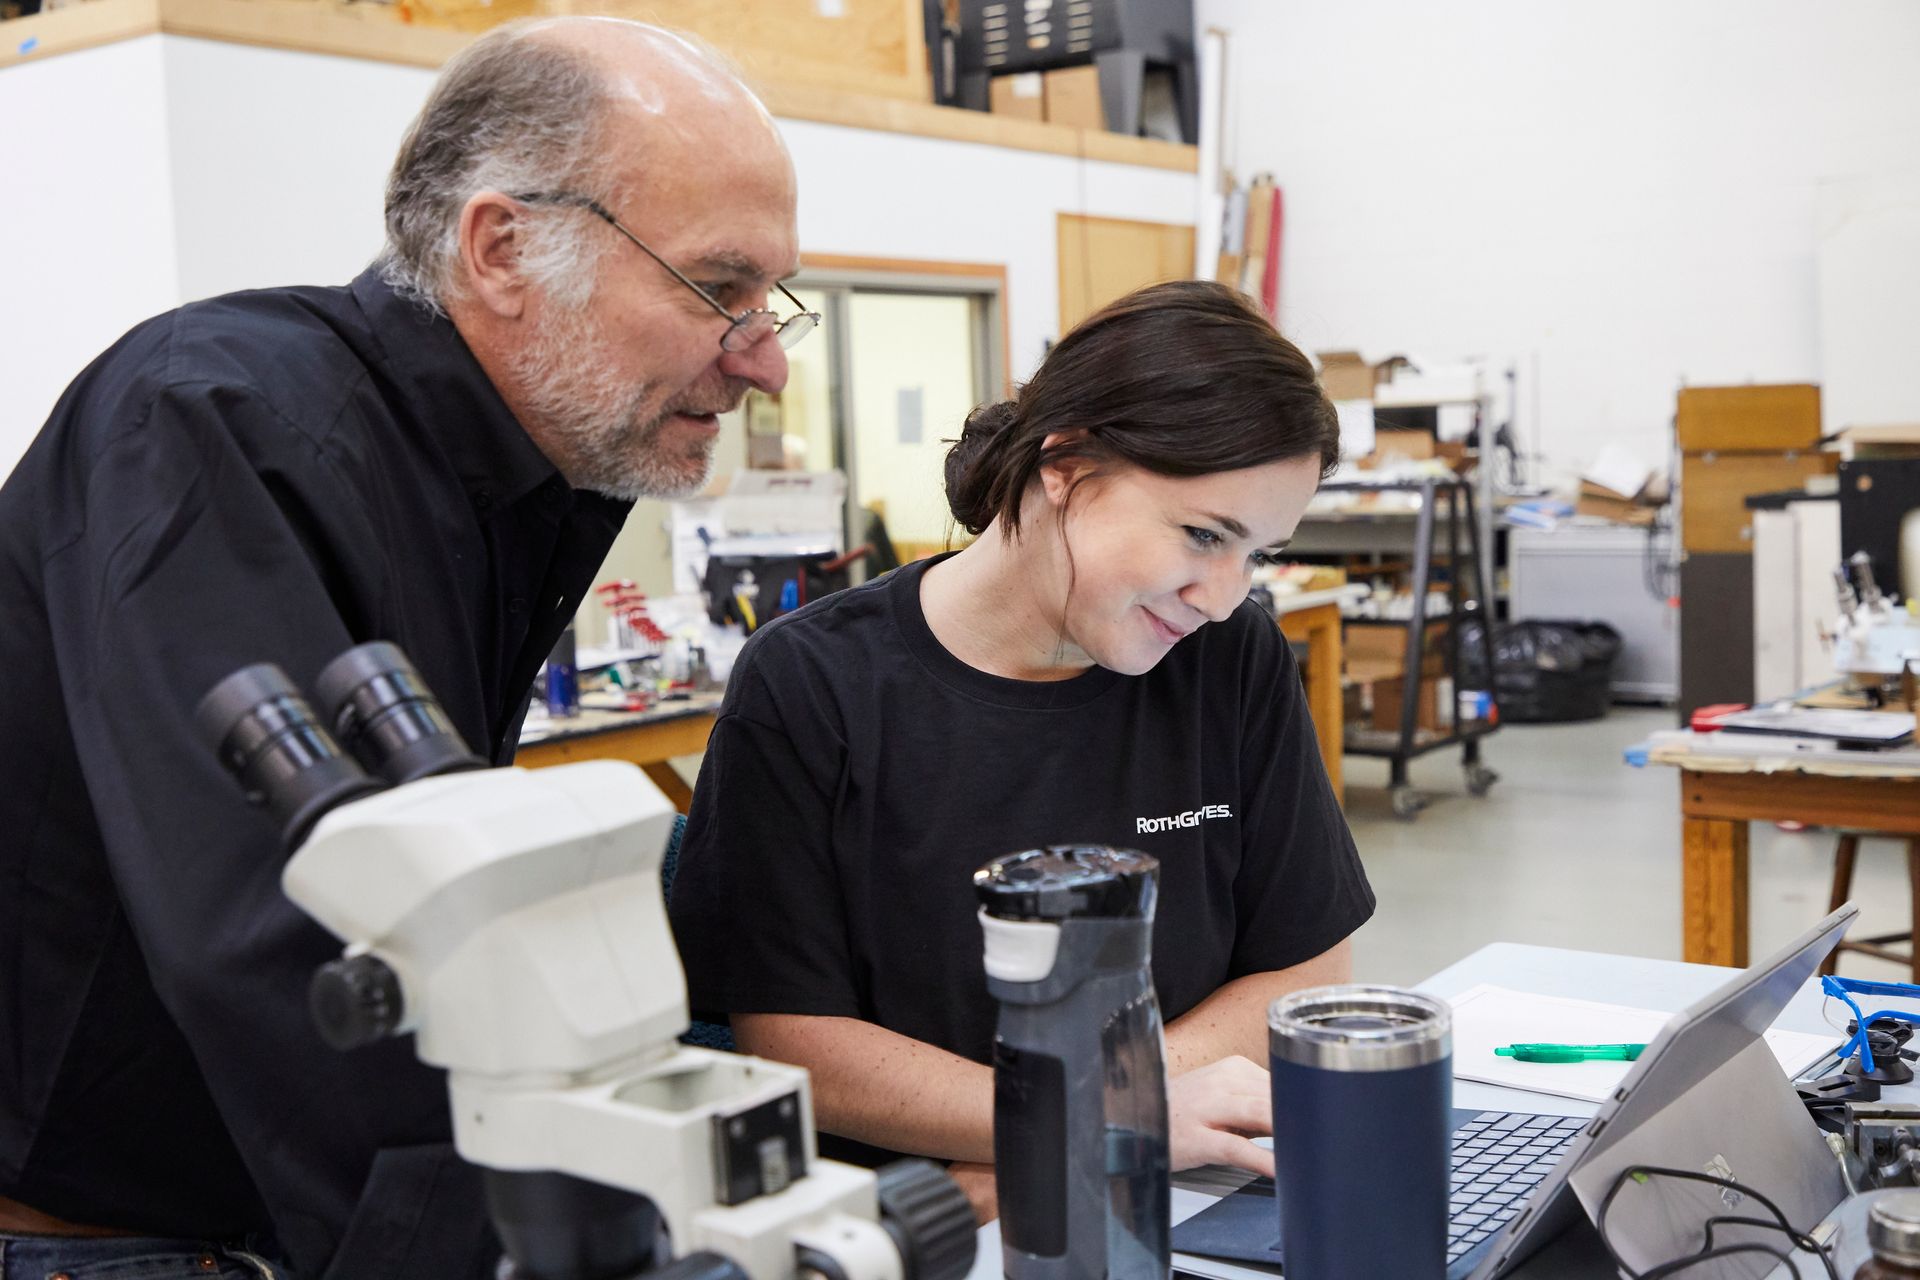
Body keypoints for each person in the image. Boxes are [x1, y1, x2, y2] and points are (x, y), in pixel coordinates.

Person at [0, 18, 804, 1278]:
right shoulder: (218, 421)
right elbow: (292, 942)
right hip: (123, 1238)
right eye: (719, 288)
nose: (766, 361)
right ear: (501, 250)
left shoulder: (514, 491)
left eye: (773, 302)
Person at [669, 279, 1376, 1220]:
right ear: (1065, 464)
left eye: (1258, 554)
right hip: (935, 1219)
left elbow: (1307, 970)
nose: (1219, 592)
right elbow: (789, 1040)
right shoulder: (812, 686)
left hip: (1184, 1191)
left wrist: (1110, 1113)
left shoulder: (1229, 658)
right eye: (1203, 535)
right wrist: (1087, 1115)